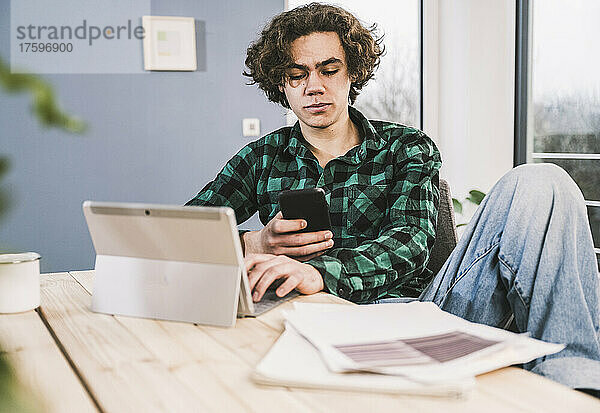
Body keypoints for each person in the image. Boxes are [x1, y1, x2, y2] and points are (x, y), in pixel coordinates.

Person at [186, 3, 600, 394]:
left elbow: (411, 242)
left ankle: (572, 384)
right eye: (298, 75)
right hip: (303, 321)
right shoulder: (261, 157)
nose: (314, 86)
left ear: (352, 74)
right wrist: (254, 243)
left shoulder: (406, 147)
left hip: (418, 313)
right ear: (281, 82)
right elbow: (184, 232)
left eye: (329, 70)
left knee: (542, 180)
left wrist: (324, 273)